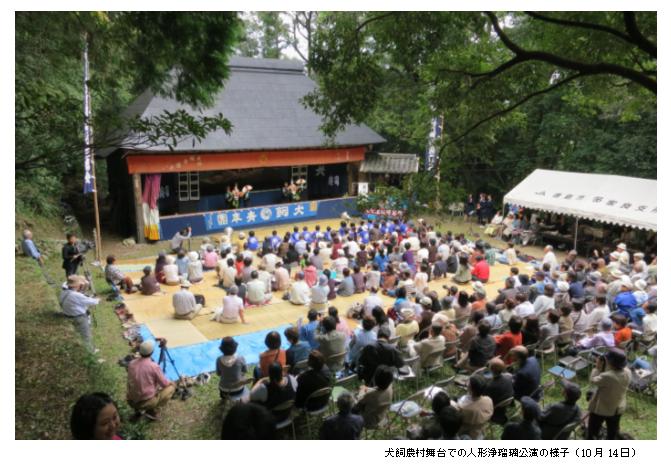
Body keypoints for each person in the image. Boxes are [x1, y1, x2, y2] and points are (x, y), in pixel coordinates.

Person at [587, 348, 632, 439]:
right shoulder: (627, 371)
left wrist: (597, 367)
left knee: (592, 430)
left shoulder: (607, 376)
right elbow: (614, 371)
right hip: (618, 406)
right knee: (612, 430)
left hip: (603, 409)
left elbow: (593, 380)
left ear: (609, 362)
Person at [126, 340, 176, 418]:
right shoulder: (154, 366)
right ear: (152, 352)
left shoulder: (131, 363)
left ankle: (139, 410)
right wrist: (172, 383)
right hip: (145, 401)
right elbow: (164, 384)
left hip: (131, 400)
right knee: (171, 387)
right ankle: (150, 409)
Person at [59, 275, 100, 351]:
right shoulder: (75, 295)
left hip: (67, 314)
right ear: (77, 285)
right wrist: (97, 299)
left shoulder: (64, 291)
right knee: (86, 336)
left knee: (79, 334)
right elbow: (93, 302)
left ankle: (86, 349)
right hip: (78, 317)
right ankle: (90, 352)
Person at [456, 375, 494, 439]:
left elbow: (458, 420)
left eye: (468, 383)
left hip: (467, 433)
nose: (467, 383)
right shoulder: (489, 400)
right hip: (480, 429)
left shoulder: (464, 408)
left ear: (470, 388)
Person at [485, 358, 514, 424]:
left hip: (494, 409)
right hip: (505, 403)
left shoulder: (490, 386)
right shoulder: (509, 376)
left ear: (490, 369)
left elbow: (484, 399)